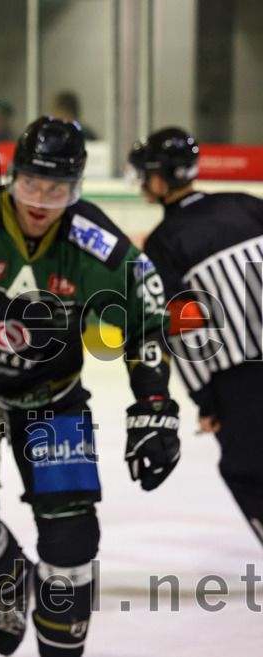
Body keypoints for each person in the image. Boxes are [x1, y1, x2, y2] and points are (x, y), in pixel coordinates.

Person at [0, 116, 179, 656]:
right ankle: (16, 587)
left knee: (72, 542)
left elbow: (147, 319)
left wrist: (155, 403)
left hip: (53, 398)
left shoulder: (96, 243)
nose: (40, 201)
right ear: (12, 175)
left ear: (77, 187)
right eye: (32, 183)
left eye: (57, 189)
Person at [128, 127, 263, 548]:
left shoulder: (164, 243)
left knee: (248, 473)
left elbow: (182, 327)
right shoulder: (246, 203)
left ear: (158, 180)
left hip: (242, 379)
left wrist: (206, 400)